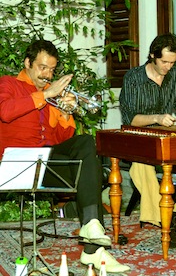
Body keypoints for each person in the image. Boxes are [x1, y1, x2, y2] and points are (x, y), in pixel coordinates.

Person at [0, 39, 130, 272]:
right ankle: (94, 249)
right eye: (42, 67)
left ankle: (91, 232)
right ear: (27, 63)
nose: (47, 74)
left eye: (51, 69)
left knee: (84, 143)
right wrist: (46, 94)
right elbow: (6, 112)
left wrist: (65, 112)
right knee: (84, 166)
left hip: (46, 165)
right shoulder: (8, 84)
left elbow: (60, 140)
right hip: (16, 165)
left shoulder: (49, 96)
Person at [119, 33, 176, 248]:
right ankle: (164, 218)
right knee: (140, 167)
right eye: (164, 62)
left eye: (172, 62)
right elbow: (130, 118)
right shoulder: (133, 78)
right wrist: (157, 118)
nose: (168, 67)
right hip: (141, 138)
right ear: (152, 55)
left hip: (169, 138)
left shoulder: (174, 77)